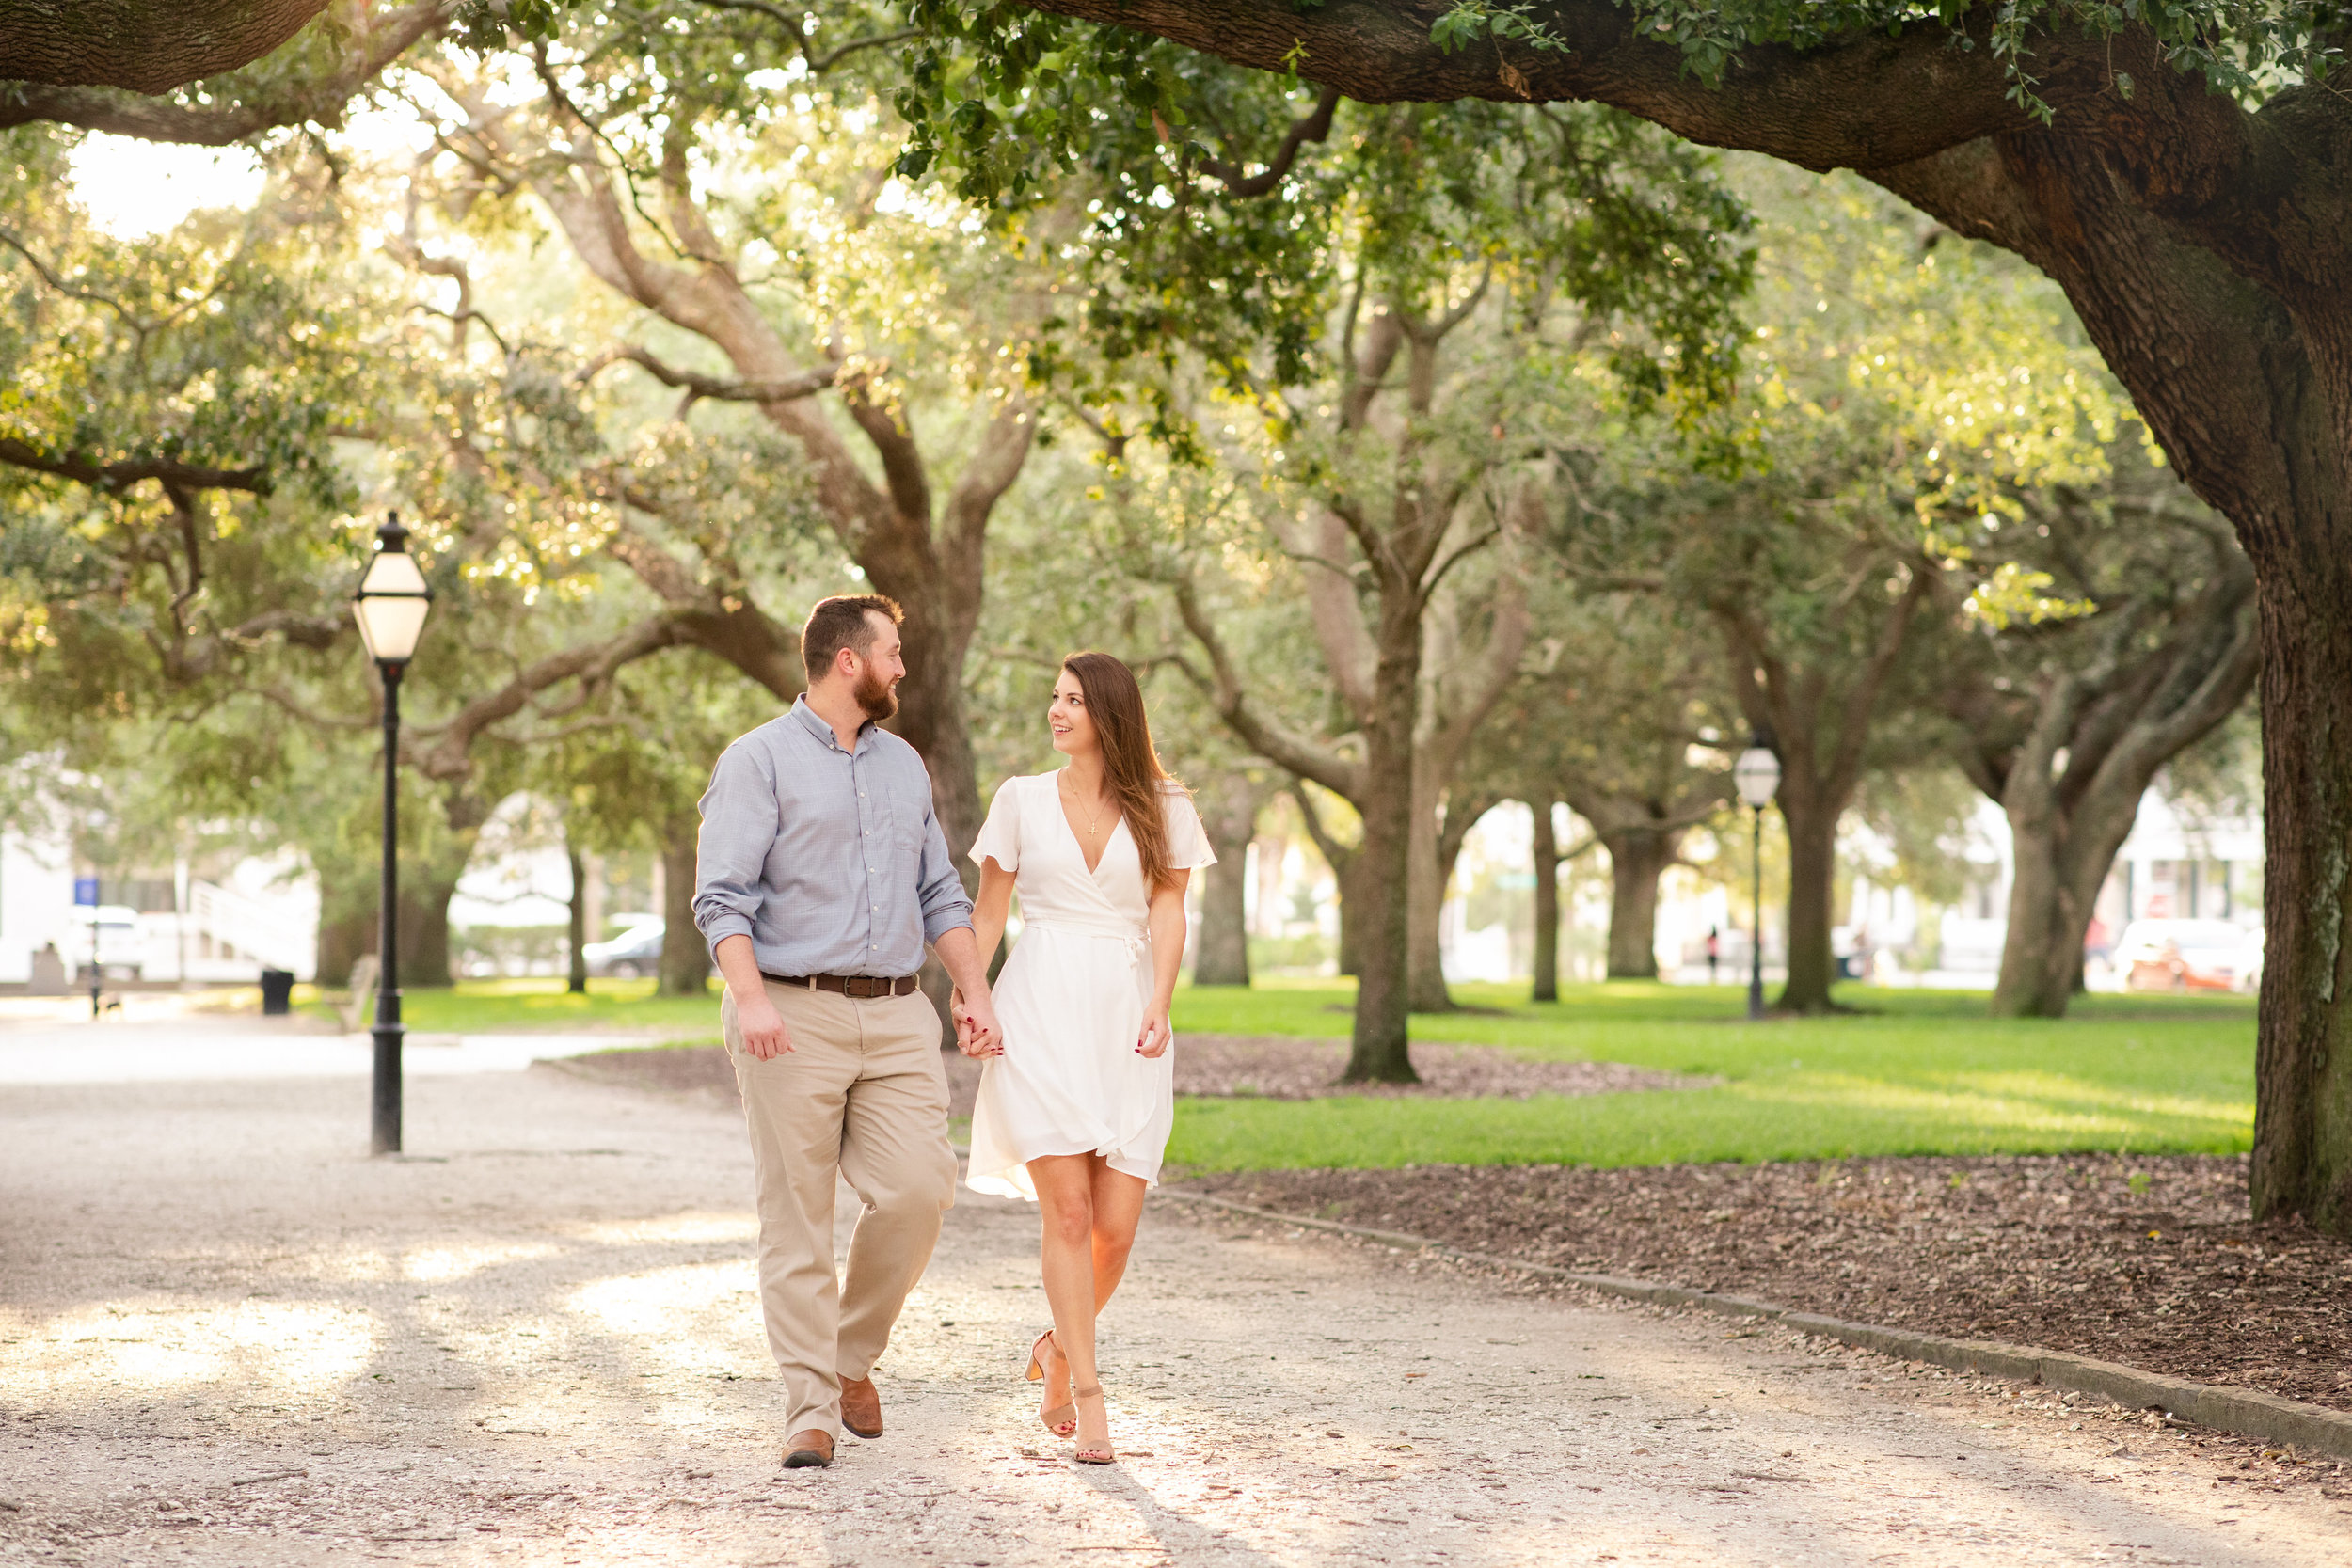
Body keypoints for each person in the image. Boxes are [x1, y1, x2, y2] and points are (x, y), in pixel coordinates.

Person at [693, 594, 1005, 1471]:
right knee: (797, 1216)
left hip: (899, 1012)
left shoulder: (906, 766)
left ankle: (847, 1357)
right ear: (847, 661)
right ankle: (809, 1409)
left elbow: (941, 893)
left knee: (920, 1187)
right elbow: (721, 896)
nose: (903, 666)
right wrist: (751, 997)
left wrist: (973, 989)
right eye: (893, 652)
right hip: (790, 1009)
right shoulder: (756, 761)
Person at [961, 652, 1216, 1465]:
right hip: (1039, 1009)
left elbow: (1170, 905)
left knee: (1115, 1229)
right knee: (1066, 1215)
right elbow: (990, 911)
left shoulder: (1165, 805)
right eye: (1054, 697)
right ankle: (1090, 1395)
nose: (1056, 710)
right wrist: (973, 996)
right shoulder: (1020, 800)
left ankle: (1056, 1348)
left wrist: (1162, 1000)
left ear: (1109, 711)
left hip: (1126, 1013)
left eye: (1072, 699)